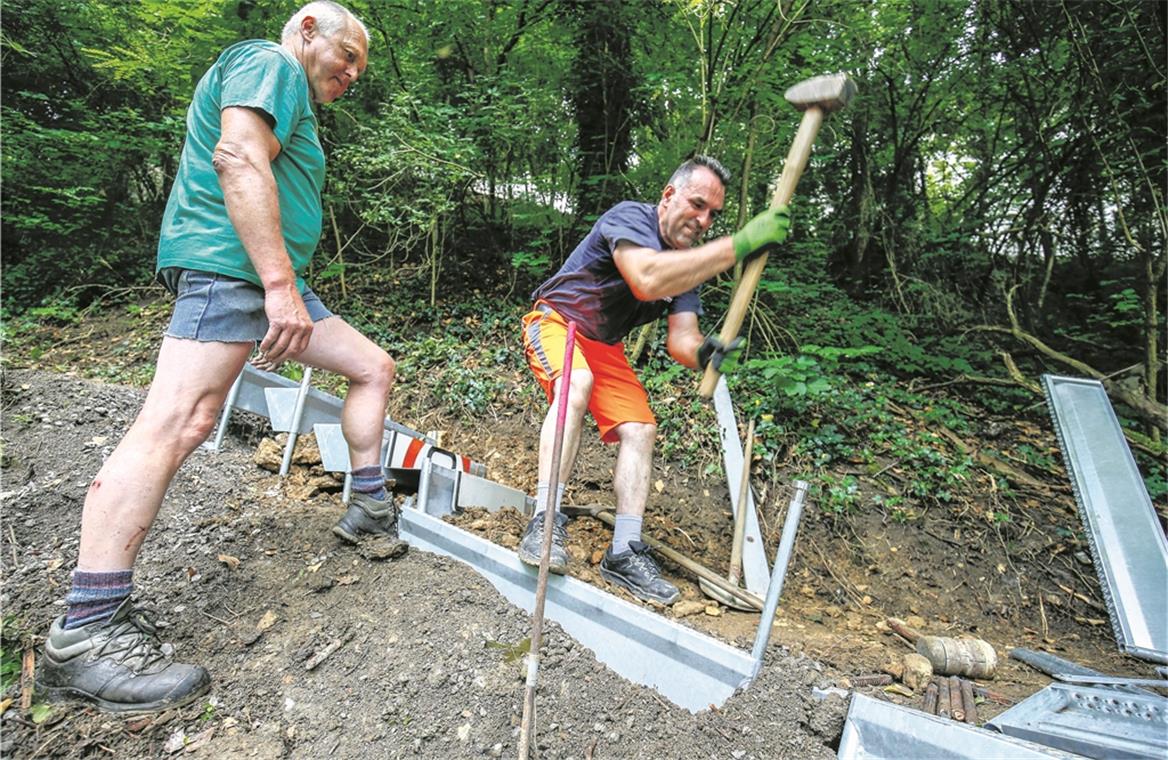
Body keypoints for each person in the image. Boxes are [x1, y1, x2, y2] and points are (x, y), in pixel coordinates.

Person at [37, 2, 394, 714]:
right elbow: (236, 156)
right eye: (346, 54)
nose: (352, 72)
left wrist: (286, 287)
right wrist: (277, 286)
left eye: (360, 65)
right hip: (239, 271)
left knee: (372, 366)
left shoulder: (286, 84)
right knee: (178, 420)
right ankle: (87, 631)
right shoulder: (271, 63)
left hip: (269, 279)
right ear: (308, 30)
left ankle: (370, 506)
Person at [517, 156, 790, 605]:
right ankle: (544, 523)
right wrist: (737, 245)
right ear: (668, 196)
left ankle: (624, 551)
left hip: (605, 346)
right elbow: (645, 280)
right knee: (576, 385)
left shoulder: (687, 266)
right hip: (559, 322)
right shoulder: (629, 218)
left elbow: (682, 339)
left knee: (641, 428)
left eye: (713, 215)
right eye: (697, 204)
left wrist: (704, 353)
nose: (703, 221)